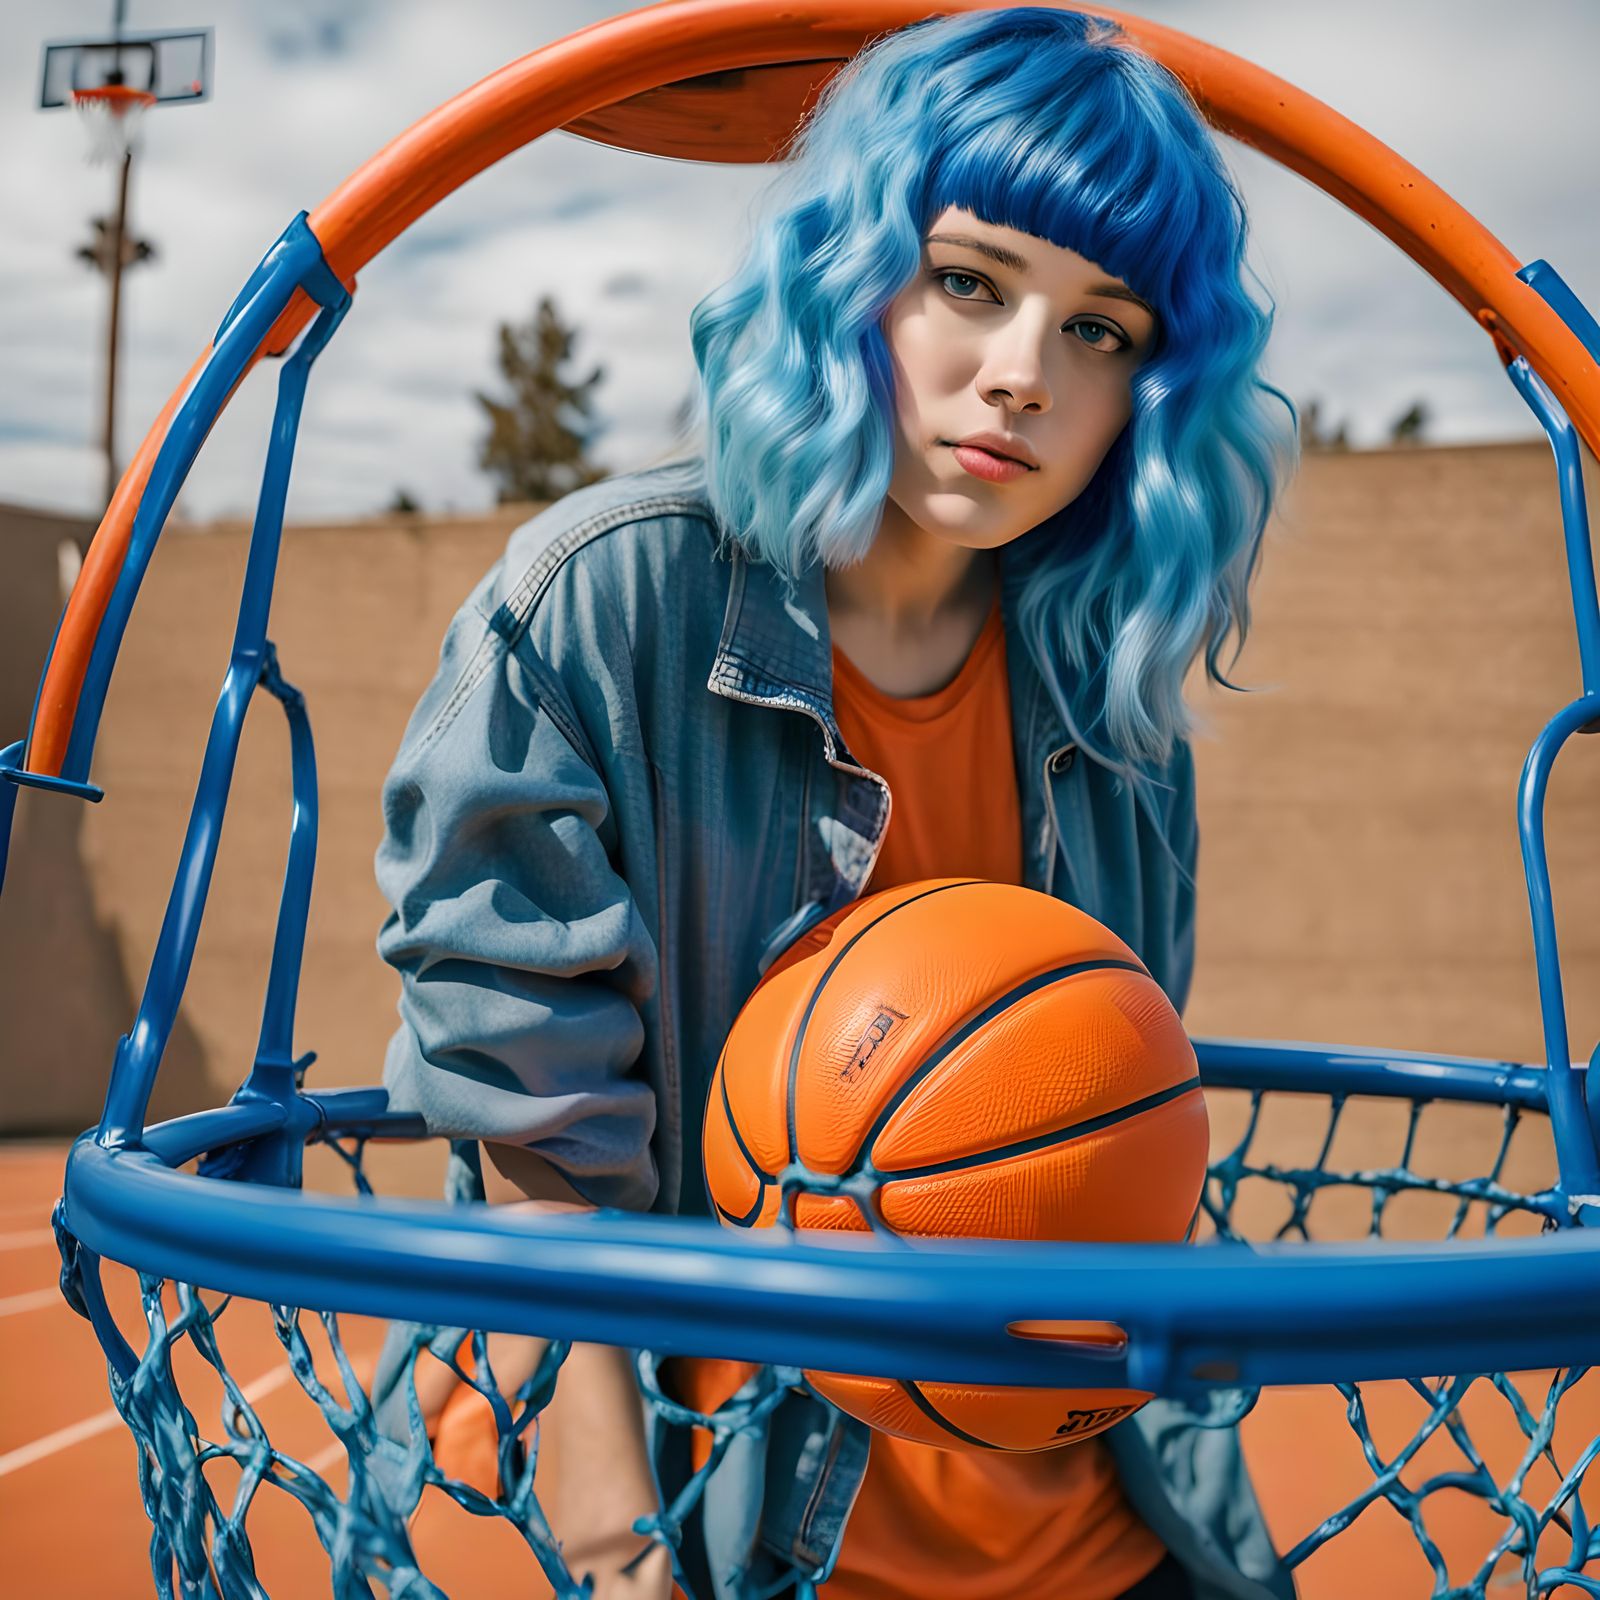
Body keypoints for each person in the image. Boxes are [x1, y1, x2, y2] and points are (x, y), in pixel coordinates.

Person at [373, 8, 1297, 1598]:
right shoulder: (607, 607)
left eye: (1101, 330)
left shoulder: (1120, 712)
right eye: (971, 283)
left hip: (1115, 1544)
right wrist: (619, 1560)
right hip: (758, 1543)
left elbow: (1097, 1149)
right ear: (851, 271)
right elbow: (536, 1151)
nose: (1019, 377)